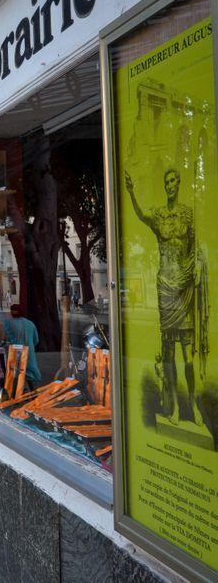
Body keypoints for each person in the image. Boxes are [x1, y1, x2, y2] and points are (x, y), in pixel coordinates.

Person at [125, 168, 206, 425]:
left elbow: (195, 248)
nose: (170, 184)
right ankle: (171, 406)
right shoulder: (159, 216)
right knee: (168, 351)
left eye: (173, 181)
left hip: (184, 288)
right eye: (167, 181)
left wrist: (193, 269)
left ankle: (191, 407)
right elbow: (140, 215)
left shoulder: (187, 214)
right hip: (165, 286)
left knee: (187, 355)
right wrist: (131, 192)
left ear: (178, 184)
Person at [3, 304, 40, 390]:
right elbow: (36, 340)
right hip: (29, 354)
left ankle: (16, 395)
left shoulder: (8, 323)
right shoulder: (30, 324)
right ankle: (32, 393)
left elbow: (9, 338)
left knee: (16, 375)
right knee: (29, 375)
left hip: (16, 353)